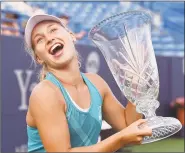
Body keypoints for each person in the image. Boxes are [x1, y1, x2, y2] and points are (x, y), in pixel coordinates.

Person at [24, 14, 152, 152]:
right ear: (38, 58)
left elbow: (129, 126)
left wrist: (135, 87)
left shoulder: (96, 83)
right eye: (39, 40)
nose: (49, 38)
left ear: (71, 35)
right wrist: (120, 139)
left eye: (53, 30)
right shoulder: (45, 93)